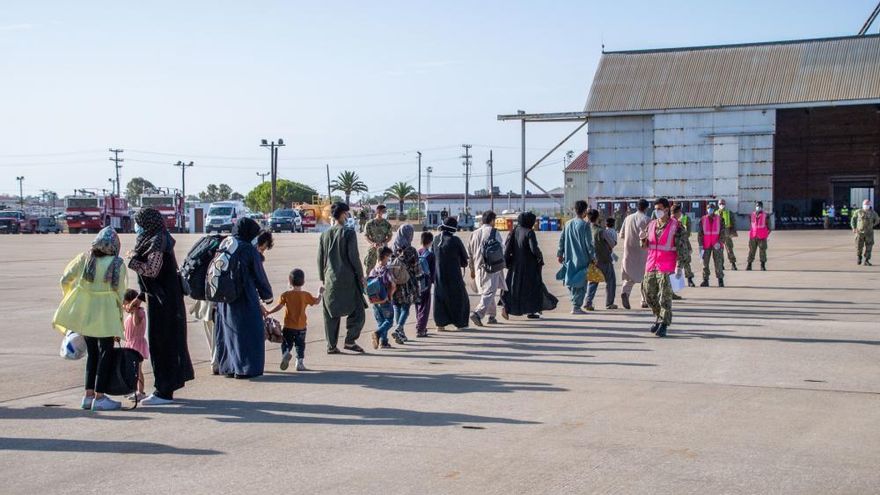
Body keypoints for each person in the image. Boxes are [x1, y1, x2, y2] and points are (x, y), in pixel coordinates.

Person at [53, 227, 128, 411]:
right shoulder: (117, 264)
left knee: (92, 354)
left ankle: (88, 395)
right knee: (105, 353)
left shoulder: (84, 258)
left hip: (87, 313)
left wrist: (73, 295)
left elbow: (65, 279)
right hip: (107, 313)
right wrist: (119, 318)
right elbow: (120, 293)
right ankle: (100, 396)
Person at [128, 208, 194, 405]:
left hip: (165, 303)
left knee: (164, 344)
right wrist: (140, 296)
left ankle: (164, 391)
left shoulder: (158, 241)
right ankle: (164, 388)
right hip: (160, 299)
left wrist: (132, 259)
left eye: (138, 223)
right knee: (162, 343)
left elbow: (152, 269)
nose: (136, 227)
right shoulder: (154, 238)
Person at [213, 217, 274, 379]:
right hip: (244, 298)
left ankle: (229, 367)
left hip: (223, 299)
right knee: (248, 333)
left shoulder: (225, 244)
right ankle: (246, 368)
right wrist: (267, 296)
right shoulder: (248, 249)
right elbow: (259, 275)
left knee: (228, 334)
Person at [318, 202, 367, 353]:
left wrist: (322, 278)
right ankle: (350, 341)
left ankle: (331, 346)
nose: (348, 216)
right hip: (348, 280)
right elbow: (354, 257)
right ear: (342, 214)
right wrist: (361, 276)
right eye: (347, 213)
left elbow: (320, 259)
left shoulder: (324, 235)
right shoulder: (348, 232)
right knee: (358, 311)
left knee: (331, 314)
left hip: (330, 279)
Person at [640, 198, 689, 337]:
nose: (657, 211)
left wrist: (680, 266)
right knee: (648, 295)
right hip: (651, 265)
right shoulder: (651, 225)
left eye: (660, 209)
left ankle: (664, 323)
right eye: (655, 209)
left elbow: (683, 248)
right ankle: (659, 317)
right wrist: (642, 239)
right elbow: (644, 246)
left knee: (664, 298)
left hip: (667, 266)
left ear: (667, 209)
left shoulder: (677, 226)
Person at [500, 212, 557, 319]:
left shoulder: (515, 230)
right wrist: (540, 256)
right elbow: (533, 249)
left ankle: (507, 307)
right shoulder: (529, 232)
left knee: (514, 288)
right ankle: (531, 310)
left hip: (515, 266)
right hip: (529, 266)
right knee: (532, 288)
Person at [264, 268, 323, 372]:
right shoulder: (306, 295)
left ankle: (286, 353)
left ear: (290, 281)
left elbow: (279, 306)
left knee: (286, 342)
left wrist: (269, 312)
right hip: (301, 327)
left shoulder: (286, 295)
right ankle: (299, 362)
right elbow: (317, 301)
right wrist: (320, 293)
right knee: (300, 345)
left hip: (288, 326)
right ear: (303, 282)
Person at [468, 210, 507, 327]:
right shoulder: (494, 232)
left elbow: (470, 253)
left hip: (478, 266)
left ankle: (492, 315)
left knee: (488, 291)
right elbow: (501, 248)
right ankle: (478, 313)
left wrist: (472, 270)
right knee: (490, 291)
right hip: (492, 267)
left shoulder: (474, 233)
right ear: (492, 220)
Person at [557, 200, 595, 314]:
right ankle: (576, 306)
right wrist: (593, 257)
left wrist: (560, 253)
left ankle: (575, 303)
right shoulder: (585, 225)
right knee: (581, 283)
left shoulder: (568, 224)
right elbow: (589, 244)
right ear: (584, 211)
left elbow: (562, 239)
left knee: (571, 280)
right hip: (582, 259)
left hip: (569, 257)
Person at [433, 217, 470, 330]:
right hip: (454, 276)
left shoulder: (436, 239)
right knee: (459, 299)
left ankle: (440, 324)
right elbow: (464, 260)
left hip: (439, 276)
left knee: (440, 299)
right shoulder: (455, 240)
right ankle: (460, 323)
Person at [390, 224, 421, 344]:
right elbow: (417, 269)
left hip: (394, 283)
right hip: (408, 283)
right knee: (406, 308)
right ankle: (398, 329)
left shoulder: (392, 248)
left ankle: (401, 333)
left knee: (397, 306)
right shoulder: (411, 250)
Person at [619, 199, 650, 309]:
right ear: (646, 208)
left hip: (628, 251)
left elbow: (621, 235)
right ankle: (644, 300)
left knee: (629, 276)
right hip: (642, 252)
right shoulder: (647, 219)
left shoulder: (628, 218)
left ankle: (625, 293)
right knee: (645, 277)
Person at [586, 209, 617, 310]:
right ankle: (609, 303)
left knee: (593, 281)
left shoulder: (587, 229)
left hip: (592, 260)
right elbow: (612, 243)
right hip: (604, 259)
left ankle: (588, 302)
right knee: (611, 280)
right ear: (598, 217)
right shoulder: (601, 231)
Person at [123, 289, 148, 401]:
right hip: (130, 344)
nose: (124, 307)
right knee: (131, 370)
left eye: (125, 304)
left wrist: (135, 310)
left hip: (137, 345)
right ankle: (134, 390)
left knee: (137, 369)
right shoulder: (129, 316)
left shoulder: (139, 313)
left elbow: (136, 323)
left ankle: (141, 391)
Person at [368, 247, 397, 349]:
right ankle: (377, 333)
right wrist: (390, 296)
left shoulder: (373, 270)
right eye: (388, 257)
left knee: (381, 321)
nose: (389, 259)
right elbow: (393, 285)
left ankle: (383, 342)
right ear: (384, 256)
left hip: (375, 301)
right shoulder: (386, 270)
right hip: (385, 300)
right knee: (389, 321)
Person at [697, 202, 726, 287]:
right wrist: (700, 244)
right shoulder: (702, 219)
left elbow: (723, 232)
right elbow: (700, 233)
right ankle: (705, 280)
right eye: (709, 208)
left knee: (718, 263)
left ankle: (720, 280)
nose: (710, 210)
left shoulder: (720, 219)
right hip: (706, 244)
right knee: (705, 263)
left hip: (716, 244)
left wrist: (720, 242)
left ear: (714, 209)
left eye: (712, 208)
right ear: (706, 209)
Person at [415, 231, 436, 337]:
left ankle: (419, 324)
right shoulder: (431, 255)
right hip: (426, 283)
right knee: (425, 306)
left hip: (416, 283)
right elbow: (433, 272)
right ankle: (421, 328)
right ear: (430, 242)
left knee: (417, 304)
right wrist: (433, 281)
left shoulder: (417, 252)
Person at [363, 204, 393, 273]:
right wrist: (372, 243)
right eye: (383, 211)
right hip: (373, 248)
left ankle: (382, 282)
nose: (385, 213)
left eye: (385, 212)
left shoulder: (387, 224)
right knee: (369, 267)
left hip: (383, 249)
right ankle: (368, 281)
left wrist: (383, 243)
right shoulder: (369, 223)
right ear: (378, 212)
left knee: (384, 268)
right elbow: (366, 235)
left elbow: (390, 236)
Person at [671, 205, 695, 287]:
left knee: (687, 262)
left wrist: (689, 247)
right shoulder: (671, 223)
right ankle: (675, 285)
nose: (681, 213)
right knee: (677, 267)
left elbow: (684, 236)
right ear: (677, 212)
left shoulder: (678, 222)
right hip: (677, 249)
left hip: (683, 248)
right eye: (680, 212)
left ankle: (689, 279)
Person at [852, 199, 880, 266]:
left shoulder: (873, 213)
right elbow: (853, 219)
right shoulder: (858, 212)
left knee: (869, 247)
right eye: (865, 204)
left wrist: (872, 225)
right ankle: (859, 257)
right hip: (859, 232)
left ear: (870, 205)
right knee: (859, 246)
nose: (866, 205)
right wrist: (854, 228)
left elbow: (877, 220)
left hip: (869, 233)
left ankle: (867, 260)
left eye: (868, 204)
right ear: (862, 205)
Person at [747, 201, 771, 271]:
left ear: (762, 207)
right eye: (757, 206)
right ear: (755, 206)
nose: (758, 207)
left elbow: (769, 227)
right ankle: (749, 264)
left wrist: (765, 234)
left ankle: (762, 265)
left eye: (760, 206)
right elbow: (751, 225)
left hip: (762, 237)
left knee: (762, 251)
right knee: (751, 251)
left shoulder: (765, 215)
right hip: (753, 236)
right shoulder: (752, 215)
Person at [717, 199, 738, 270]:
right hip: (718, 235)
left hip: (727, 234)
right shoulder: (715, 213)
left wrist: (733, 232)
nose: (721, 205)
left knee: (729, 249)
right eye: (720, 203)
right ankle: (721, 265)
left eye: (723, 203)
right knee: (719, 251)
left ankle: (733, 264)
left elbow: (733, 223)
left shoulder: (729, 213)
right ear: (718, 204)